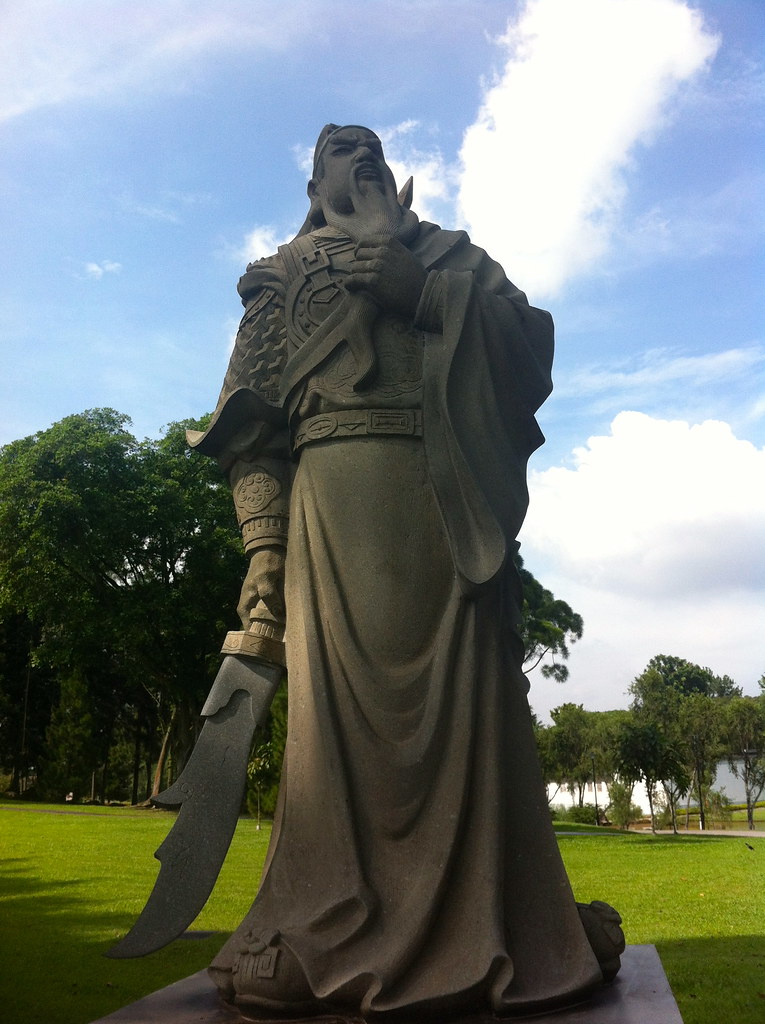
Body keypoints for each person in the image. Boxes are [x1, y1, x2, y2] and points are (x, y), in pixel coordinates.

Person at [190, 124, 623, 1020]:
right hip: (329, 526)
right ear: (314, 182)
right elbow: (247, 428)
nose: (358, 154)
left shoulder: (453, 256)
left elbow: (527, 350)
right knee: (332, 749)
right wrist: (262, 549)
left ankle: (511, 926)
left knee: (472, 730)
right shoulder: (280, 275)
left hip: (444, 513)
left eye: (370, 146)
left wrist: (424, 293)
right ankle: (319, 926)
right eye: (337, 149)